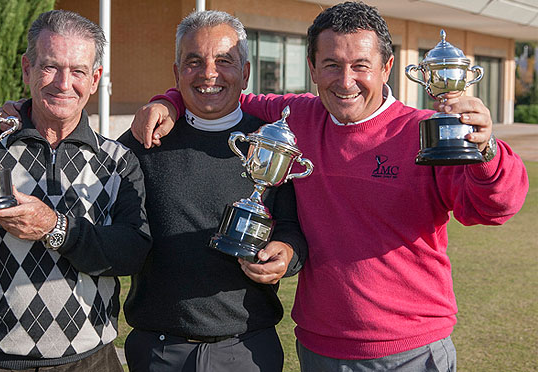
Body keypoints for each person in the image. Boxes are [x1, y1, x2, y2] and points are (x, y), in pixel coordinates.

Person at [130, 2, 529, 371]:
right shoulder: (297, 116)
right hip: (319, 349)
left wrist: (487, 149)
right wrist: (168, 102)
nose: (346, 80)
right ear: (313, 67)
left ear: (387, 67)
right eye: (332, 65)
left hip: (410, 350)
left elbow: (493, 208)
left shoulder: (425, 132)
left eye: (361, 65)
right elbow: (220, 93)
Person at [0, 10, 151, 372]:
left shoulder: (117, 161)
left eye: (78, 71)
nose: (63, 83)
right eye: (50, 67)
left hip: (89, 362)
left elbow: (132, 254)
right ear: (27, 69)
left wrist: (57, 229)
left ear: (95, 78)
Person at [116, 10, 307, 372]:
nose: (209, 74)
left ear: (246, 73)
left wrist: (286, 253)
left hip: (248, 350)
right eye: (194, 61)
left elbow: (292, 227)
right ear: (176, 73)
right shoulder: (145, 140)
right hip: (157, 351)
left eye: (224, 61)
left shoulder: (270, 146)